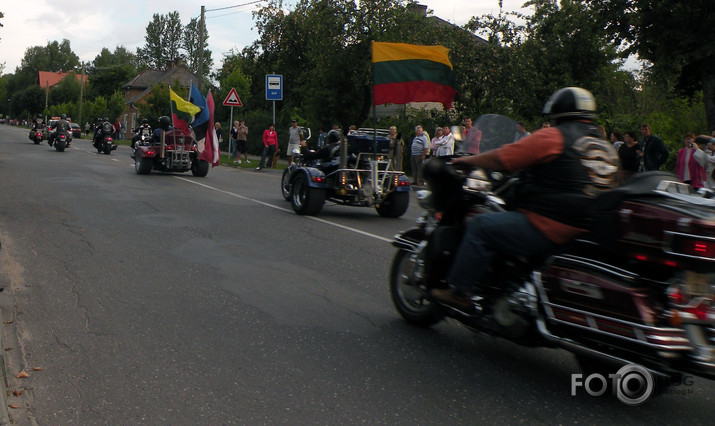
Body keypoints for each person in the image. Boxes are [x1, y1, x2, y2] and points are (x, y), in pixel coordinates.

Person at [431, 87, 619, 309]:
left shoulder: (554, 136)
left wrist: (468, 161)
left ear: (558, 113)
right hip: (588, 230)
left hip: (550, 225)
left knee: (480, 225)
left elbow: (504, 157)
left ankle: (460, 292)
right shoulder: (606, 147)